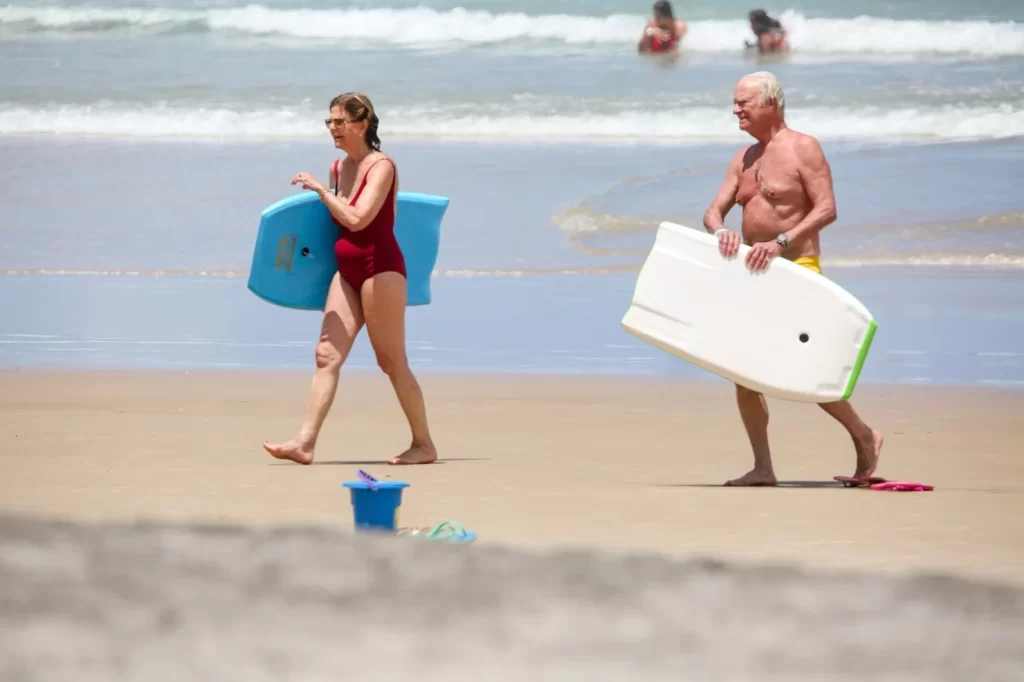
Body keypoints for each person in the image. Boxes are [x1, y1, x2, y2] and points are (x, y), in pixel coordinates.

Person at [701, 72, 883, 487]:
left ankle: (865, 434)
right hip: (752, 274)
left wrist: (783, 241)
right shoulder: (744, 159)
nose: (736, 110)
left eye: (744, 102)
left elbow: (827, 209)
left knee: (805, 370)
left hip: (798, 271)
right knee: (744, 375)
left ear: (771, 104)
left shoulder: (805, 148)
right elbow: (713, 212)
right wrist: (719, 231)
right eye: (735, 102)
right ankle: (763, 467)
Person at [262, 92, 438, 466]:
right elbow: (334, 226)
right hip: (347, 273)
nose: (333, 129)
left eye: (340, 122)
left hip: (381, 270)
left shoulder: (382, 167)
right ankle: (305, 443)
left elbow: (358, 219)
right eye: (330, 122)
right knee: (326, 354)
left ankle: (423, 444)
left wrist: (321, 191)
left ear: (362, 124)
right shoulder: (338, 168)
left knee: (391, 361)